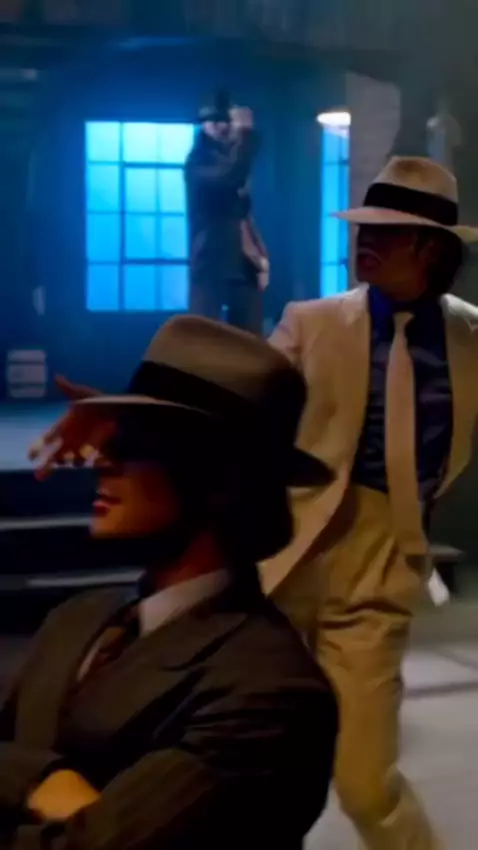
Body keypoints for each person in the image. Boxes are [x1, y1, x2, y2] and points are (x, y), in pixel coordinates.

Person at [5, 317, 338, 850]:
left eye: (134, 443)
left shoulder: (271, 690)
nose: (103, 460)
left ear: (218, 479)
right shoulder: (79, 618)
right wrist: (43, 779)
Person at [261, 157, 478, 850]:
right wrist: (133, 423)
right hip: (283, 551)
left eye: (387, 231)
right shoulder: (311, 322)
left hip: (382, 563)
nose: (366, 241)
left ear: (430, 249)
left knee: (364, 781)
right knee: (252, 766)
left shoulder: (471, 338)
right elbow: (238, 400)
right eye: (364, 226)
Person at [185, 90, 269, 334]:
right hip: (211, 261)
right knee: (203, 337)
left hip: (243, 263)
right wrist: (245, 136)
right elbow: (230, 176)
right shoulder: (198, 163)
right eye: (215, 120)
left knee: (249, 341)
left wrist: (260, 254)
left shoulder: (233, 155)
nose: (222, 126)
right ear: (204, 124)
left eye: (226, 120)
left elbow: (243, 214)